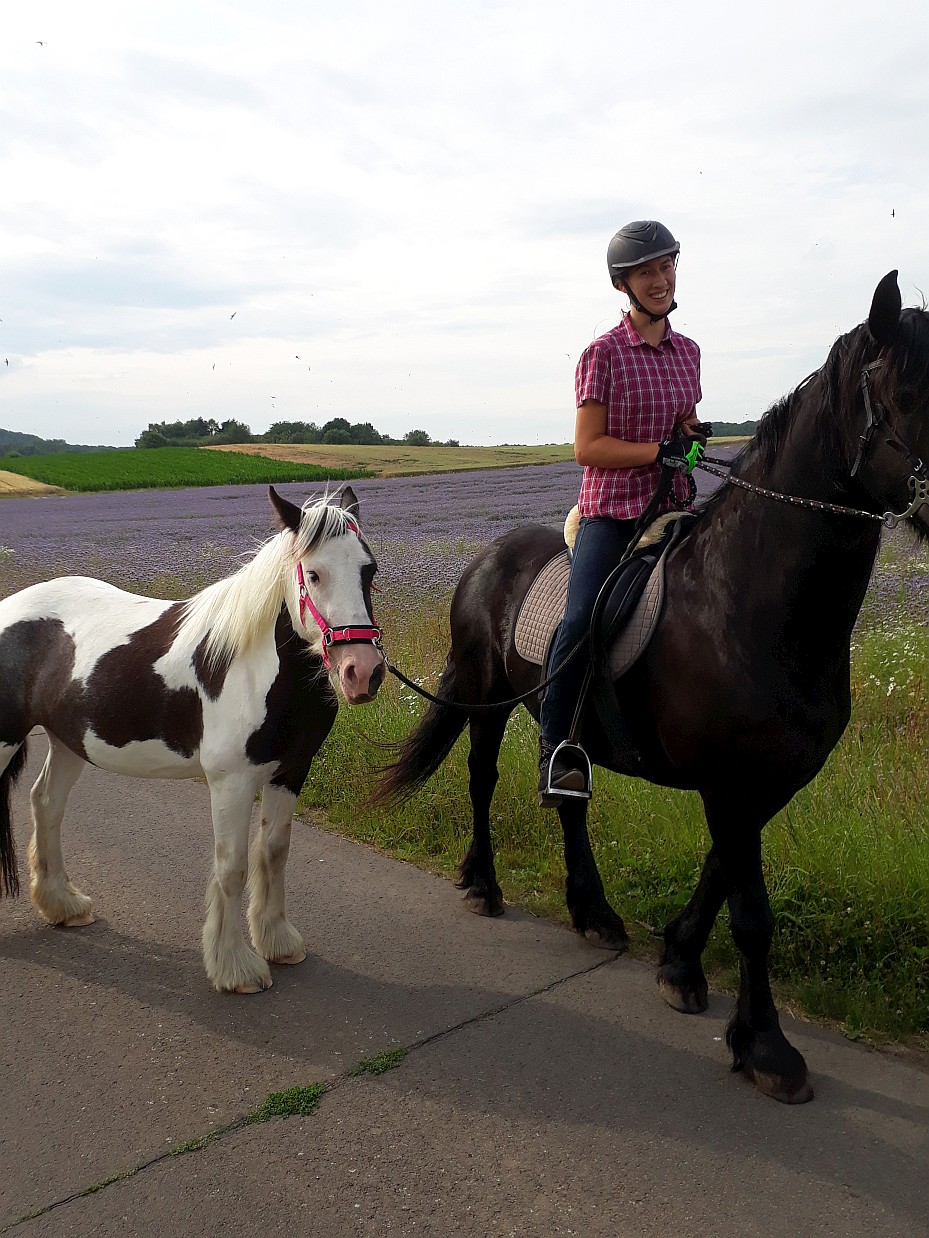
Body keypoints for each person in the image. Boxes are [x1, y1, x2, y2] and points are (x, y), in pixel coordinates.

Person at [538, 219, 708, 807]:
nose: (660, 280)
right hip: (612, 514)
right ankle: (556, 750)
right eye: (646, 272)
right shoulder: (602, 355)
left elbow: (682, 421)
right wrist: (656, 452)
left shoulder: (688, 353)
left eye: (667, 267)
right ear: (623, 285)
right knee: (582, 617)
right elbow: (588, 447)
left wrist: (689, 437)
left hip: (674, 506)